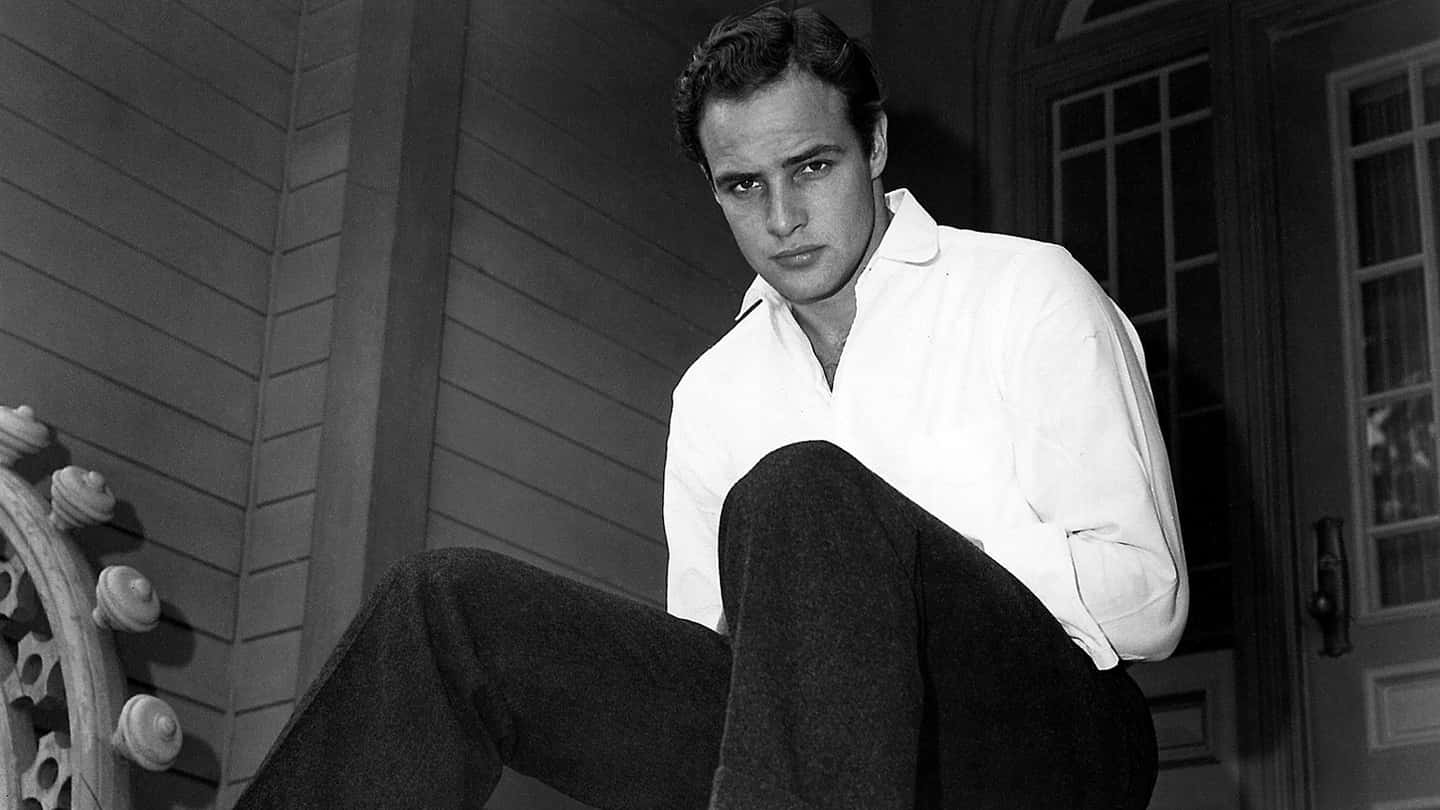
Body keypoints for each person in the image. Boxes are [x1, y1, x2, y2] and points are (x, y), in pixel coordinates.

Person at [236, 7, 1186, 810]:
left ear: (874, 144)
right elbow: (711, 675)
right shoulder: (714, 393)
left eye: (811, 167)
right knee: (446, 606)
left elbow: (1149, 601)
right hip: (811, 753)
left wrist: (888, 567)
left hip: (1046, 738)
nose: (781, 219)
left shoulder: (1026, 291)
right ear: (712, 186)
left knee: (804, 491)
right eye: (743, 186)